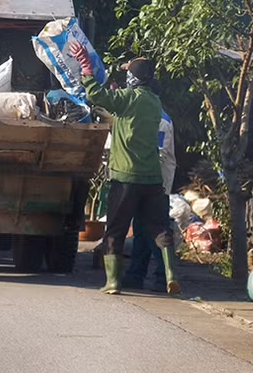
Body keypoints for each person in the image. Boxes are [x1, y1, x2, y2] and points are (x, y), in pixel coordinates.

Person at [70, 41, 180, 295]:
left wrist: (86, 67)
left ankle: (112, 282)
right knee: (159, 228)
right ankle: (171, 275)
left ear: (132, 77)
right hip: (152, 178)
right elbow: (122, 112)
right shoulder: (154, 102)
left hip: (125, 177)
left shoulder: (127, 99)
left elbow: (97, 97)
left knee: (115, 230)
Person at [122, 99, 177, 292]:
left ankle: (163, 277)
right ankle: (136, 275)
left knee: (156, 231)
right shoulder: (148, 117)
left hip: (157, 186)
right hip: (145, 183)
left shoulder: (161, 121)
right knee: (140, 230)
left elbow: (159, 155)